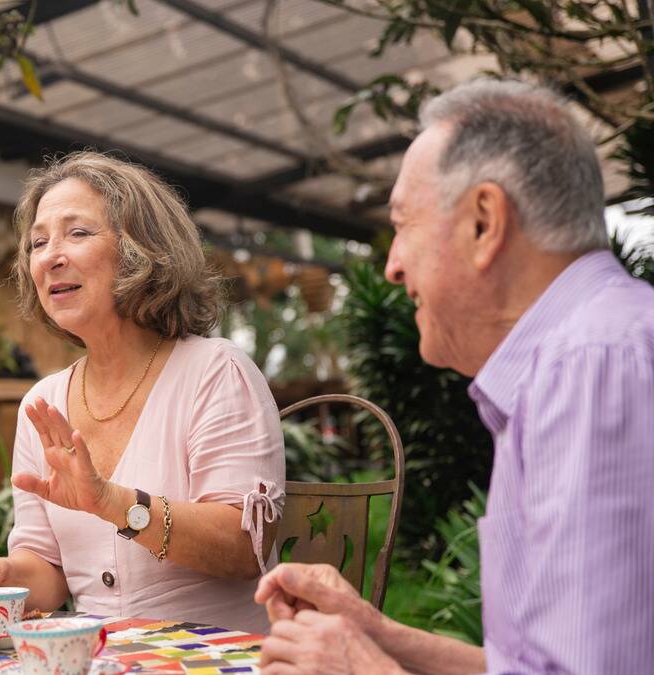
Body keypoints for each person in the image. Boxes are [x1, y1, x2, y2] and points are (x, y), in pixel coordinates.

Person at [255, 79, 654, 674]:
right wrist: (376, 634)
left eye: (404, 225)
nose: (392, 267)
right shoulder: (581, 356)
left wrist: (359, 668)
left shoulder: (591, 367)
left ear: (484, 222)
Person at [0, 152, 286, 633]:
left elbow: (243, 546)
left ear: (141, 248)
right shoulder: (42, 404)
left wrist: (112, 502)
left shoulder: (215, 371)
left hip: (215, 658)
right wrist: (4, 575)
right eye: (38, 242)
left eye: (78, 233)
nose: (51, 256)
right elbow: (49, 573)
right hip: (97, 659)